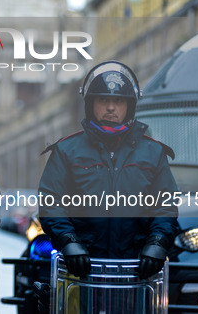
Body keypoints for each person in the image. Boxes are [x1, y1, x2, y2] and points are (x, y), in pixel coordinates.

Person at [38, 61, 178, 281]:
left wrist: (157, 242)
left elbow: (165, 205)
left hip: (136, 270)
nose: (111, 107)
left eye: (118, 101)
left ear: (129, 106)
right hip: (81, 269)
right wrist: (69, 240)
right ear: (91, 104)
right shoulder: (66, 150)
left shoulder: (153, 152)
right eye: (104, 100)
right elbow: (51, 201)